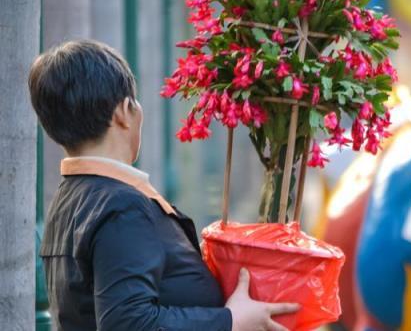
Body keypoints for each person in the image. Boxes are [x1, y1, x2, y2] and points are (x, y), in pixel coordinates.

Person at [29, 40, 299, 331]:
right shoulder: (121, 205)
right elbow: (130, 323)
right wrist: (230, 321)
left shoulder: (70, 198)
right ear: (123, 112)